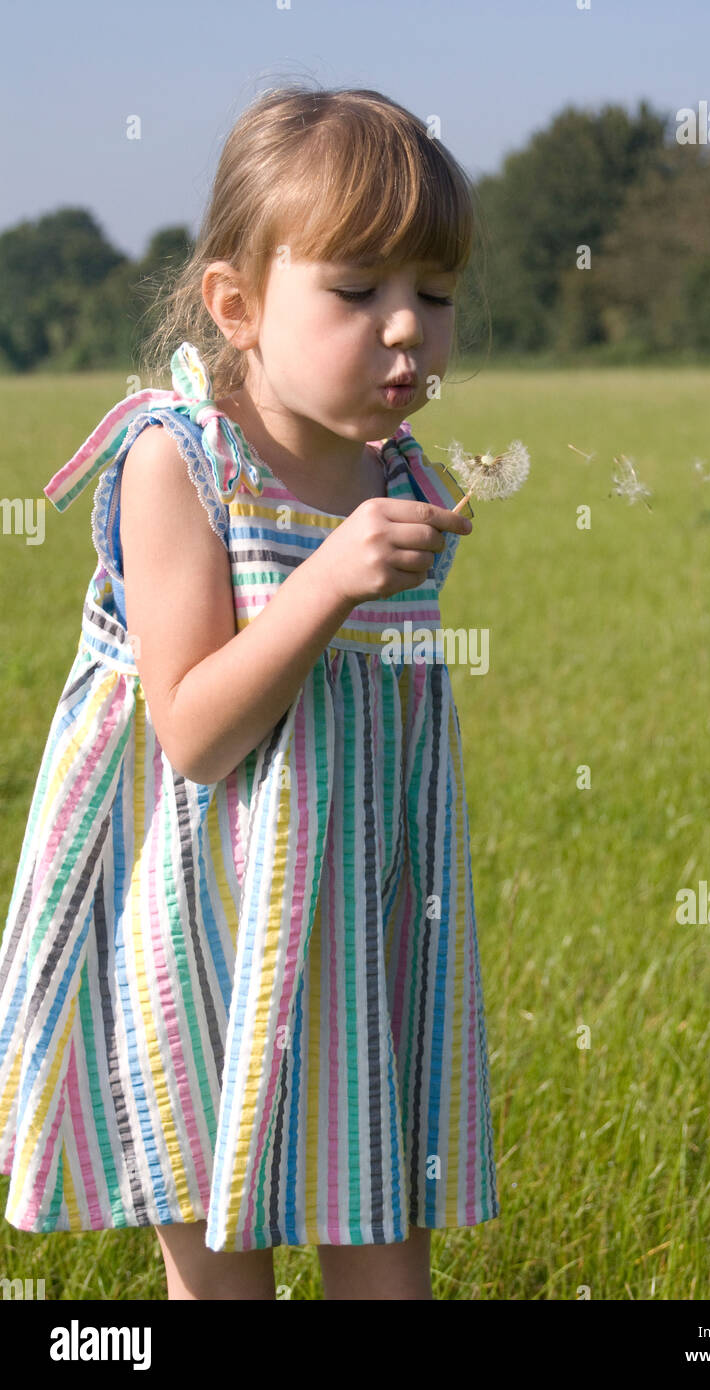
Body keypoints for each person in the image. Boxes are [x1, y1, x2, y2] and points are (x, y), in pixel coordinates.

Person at [0, 84, 500, 1300]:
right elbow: (194, 731)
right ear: (237, 304)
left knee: (387, 1260)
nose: (405, 332)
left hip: (363, 941)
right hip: (205, 940)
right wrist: (329, 578)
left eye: (432, 297)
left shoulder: (398, 471)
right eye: (356, 291)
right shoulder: (179, 463)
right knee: (223, 1279)